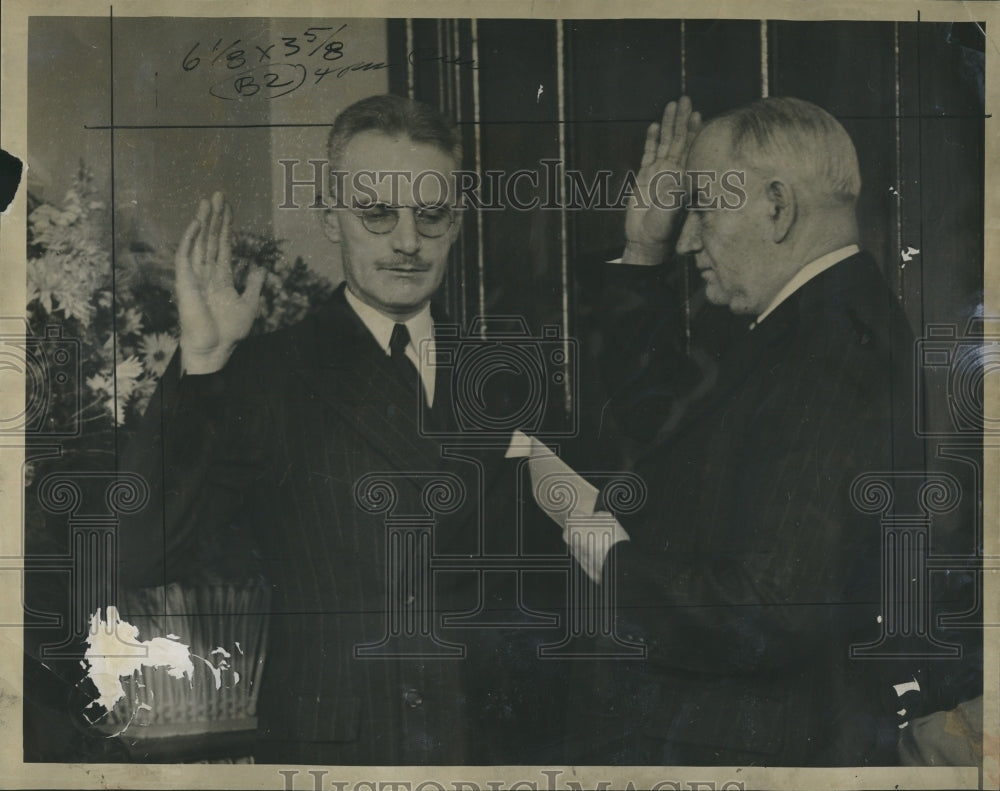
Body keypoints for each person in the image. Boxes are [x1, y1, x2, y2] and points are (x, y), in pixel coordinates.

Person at [115, 94, 565, 765]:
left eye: (431, 214)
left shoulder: (507, 374)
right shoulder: (268, 373)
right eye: (377, 212)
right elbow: (140, 554)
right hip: (340, 751)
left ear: (458, 221)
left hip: (491, 747)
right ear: (330, 216)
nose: (407, 242)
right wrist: (203, 362)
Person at [565, 95, 930, 765]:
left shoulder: (828, 353)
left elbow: (772, 608)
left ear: (777, 207)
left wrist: (603, 552)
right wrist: (642, 253)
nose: (690, 237)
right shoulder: (805, 321)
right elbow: (660, 426)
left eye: (703, 208)